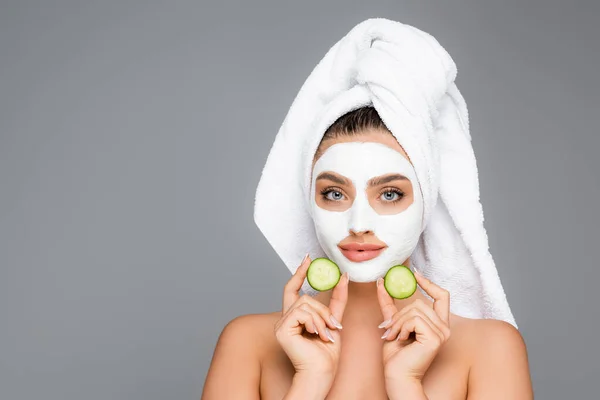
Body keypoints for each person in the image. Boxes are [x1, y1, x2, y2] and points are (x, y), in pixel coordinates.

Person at [201, 107, 533, 399]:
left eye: (389, 194)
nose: (358, 224)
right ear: (309, 204)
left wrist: (407, 385)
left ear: (426, 203)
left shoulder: (491, 348)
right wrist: (308, 383)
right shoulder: (248, 344)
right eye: (334, 193)